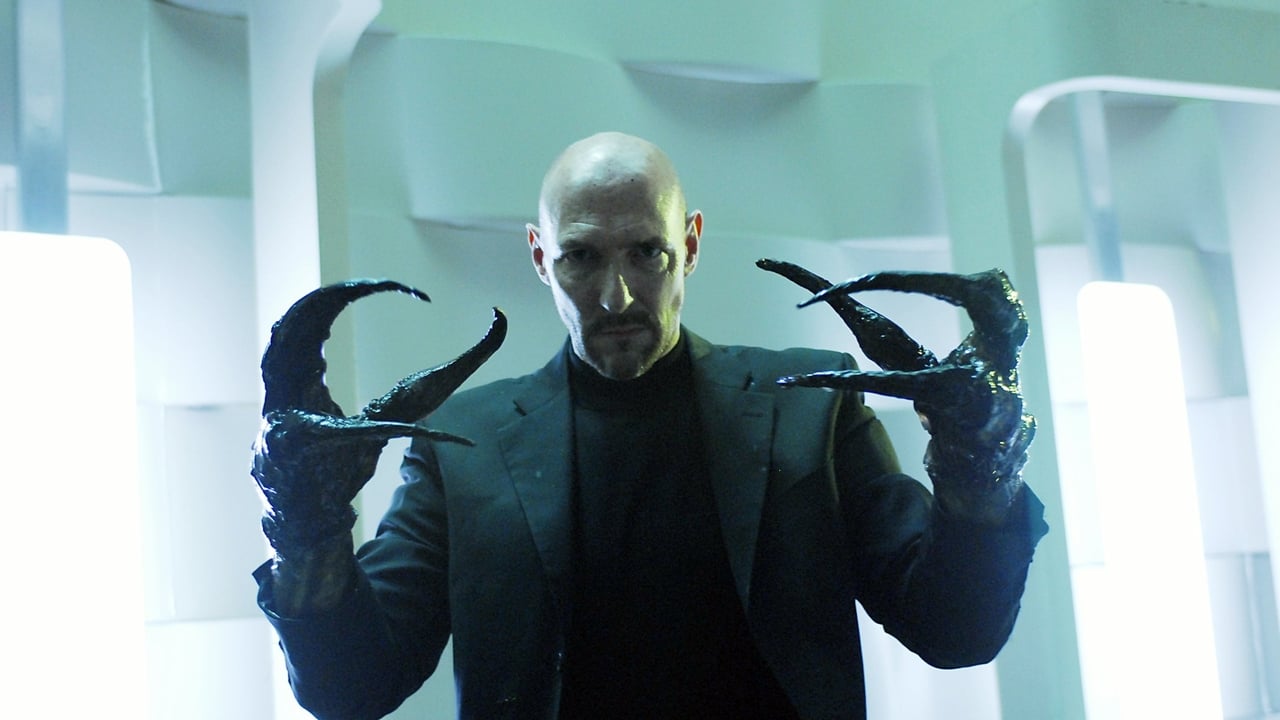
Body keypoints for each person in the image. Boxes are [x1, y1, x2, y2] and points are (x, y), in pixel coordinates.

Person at [254, 131, 1048, 720]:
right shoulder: (464, 444)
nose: (618, 296)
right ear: (539, 256)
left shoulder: (812, 404)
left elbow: (955, 630)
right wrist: (309, 530)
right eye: (582, 257)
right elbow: (352, 689)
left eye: (646, 253)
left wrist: (978, 468)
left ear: (690, 245)